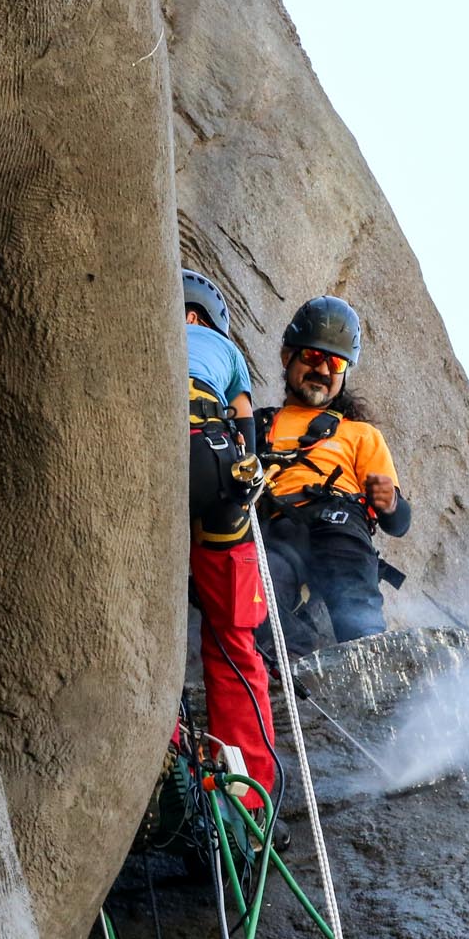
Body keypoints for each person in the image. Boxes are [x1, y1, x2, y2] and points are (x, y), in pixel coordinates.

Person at [180, 269, 280, 813]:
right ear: (202, 317)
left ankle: (171, 755)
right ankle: (249, 798)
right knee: (233, 638)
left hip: (154, 443)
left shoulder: (151, 330)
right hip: (215, 458)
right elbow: (246, 428)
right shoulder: (227, 349)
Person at [256, 295, 411, 646]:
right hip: (276, 529)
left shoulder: (360, 434)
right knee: (257, 602)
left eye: (336, 363)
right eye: (313, 356)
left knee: (354, 599)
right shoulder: (259, 425)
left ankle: (366, 659)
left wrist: (388, 503)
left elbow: (399, 522)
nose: (324, 370)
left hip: (338, 520)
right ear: (287, 356)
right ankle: (300, 658)